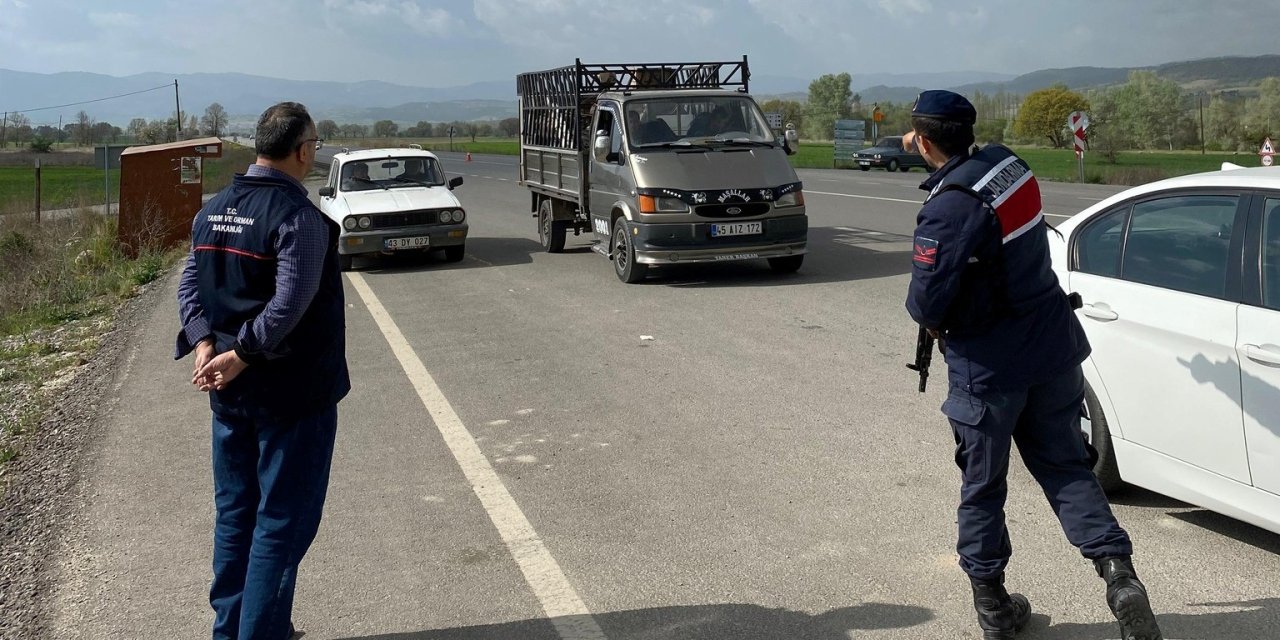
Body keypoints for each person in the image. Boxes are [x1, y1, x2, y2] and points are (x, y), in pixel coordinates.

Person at [902, 90, 1163, 640]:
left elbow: (925, 302)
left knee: (983, 487)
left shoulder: (949, 206)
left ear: (924, 140)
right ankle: (1121, 579)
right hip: (1051, 350)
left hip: (989, 370)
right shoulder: (1009, 166)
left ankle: (995, 611)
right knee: (1068, 468)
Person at [176, 101, 350, 640]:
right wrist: (241, 353)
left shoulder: (214, 210)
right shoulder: (298, 217)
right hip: (291, 397)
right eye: (316, 144)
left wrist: (205, 342)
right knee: (281, 522)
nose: (315, 152)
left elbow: (189, 286)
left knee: (235, 516)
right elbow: (290, 303)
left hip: (230, 395)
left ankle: (232, 630)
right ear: (301, 150)